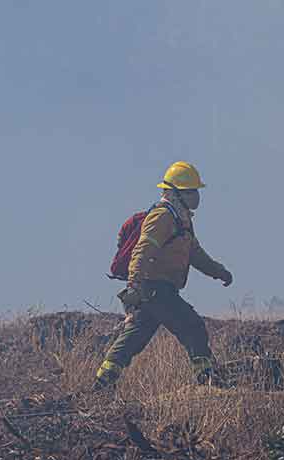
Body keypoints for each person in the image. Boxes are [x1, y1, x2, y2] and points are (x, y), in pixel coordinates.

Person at [93, 161, 233, 390]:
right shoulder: (163, 216)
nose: (196, 196)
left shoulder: (182, 219)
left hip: (158, 289)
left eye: (196, 191)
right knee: (192, 326)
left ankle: (103, 381)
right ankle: (208, 379)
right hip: (155, 289)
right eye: (190, 191)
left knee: (134, 336)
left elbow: (194, 254)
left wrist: (219, 272)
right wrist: (134, 284)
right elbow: (143, 249)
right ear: (176, 192)